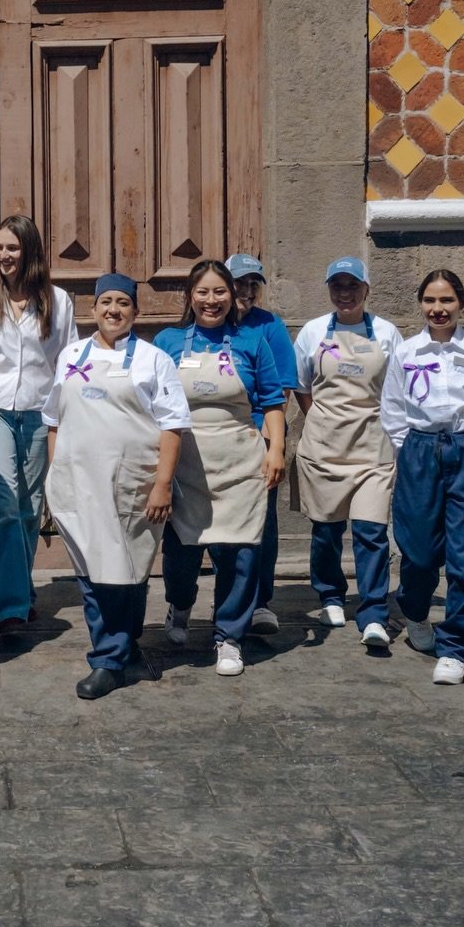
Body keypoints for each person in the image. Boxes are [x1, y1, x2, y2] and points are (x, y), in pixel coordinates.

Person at [43, 272, 189, 700]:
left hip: (131, 484)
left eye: (123, 303)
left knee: (127, 570)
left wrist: (163, 483)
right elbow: (53, 420)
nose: (113, 310)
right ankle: (110, 657)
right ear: (93, 309)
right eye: (105, 302)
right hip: (77, 483)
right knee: (94, 572)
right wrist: (56, 474)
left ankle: (118, 649)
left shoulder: (152, 360)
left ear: (135, 312)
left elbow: (173, 425)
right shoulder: (71, 355)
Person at [156, 260, 287, 676]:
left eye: (219, 293)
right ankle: (179, 606)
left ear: (232, 297)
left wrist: (277, 449)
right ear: (190, 297)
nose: (211, 301)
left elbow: (272, 400)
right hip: (187, 463)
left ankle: (229, 636)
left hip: (239, 461)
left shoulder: (252, 341)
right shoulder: (168, 341)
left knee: (240, 553)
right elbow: (152, 402)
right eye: (203, 292)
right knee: (180, 550)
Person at [381, 270, 464, 686]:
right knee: (417, 550)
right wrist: (414, 449)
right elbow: (393, 408)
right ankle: (416, 612)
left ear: (461, 303)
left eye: (447, 301)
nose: (438, 309)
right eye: (430, 301)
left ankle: (455, 647)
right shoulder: (407, 352)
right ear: (420, 304)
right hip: (420, 451)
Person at [0, 215, 74, 639]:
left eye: (12, 248)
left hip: (41, 413)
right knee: (4, 502)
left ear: (30, 252)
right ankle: (9, 608)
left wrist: (65, 417)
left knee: (29, 508)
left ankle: (22, 592)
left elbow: (66, 363)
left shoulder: (59, 301)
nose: (3, 255)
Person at [293, 258, 403, 644]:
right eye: (337, 286)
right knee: (325, 530)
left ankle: (373, 611)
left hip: (372, 444)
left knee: (372, 532)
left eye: (352, 285)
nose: (345, 293)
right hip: (325, 445)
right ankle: (330, 595)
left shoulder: (388, 333)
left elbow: (397, 389)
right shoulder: (312, 332)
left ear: (366, 289)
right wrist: (322, 422)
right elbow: (302, 386)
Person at [226, 253, 298, 633]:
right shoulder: (207, 324)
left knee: (260, 524)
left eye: (253, 283)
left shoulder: (269, 326)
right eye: (239, 282)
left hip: (256, 436)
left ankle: (259, 602)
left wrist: (273, 443)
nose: (246, 291)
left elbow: (282, 387)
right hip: (213, 438)